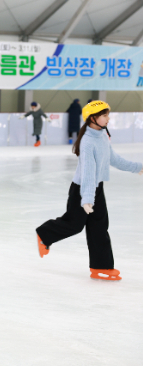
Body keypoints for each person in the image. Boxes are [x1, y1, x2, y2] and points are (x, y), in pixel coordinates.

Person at [35, 101, 143, 281]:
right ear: (93, 118)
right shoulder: (87, 143)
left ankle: (102, 267)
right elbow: (87, 173)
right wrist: (87, 198)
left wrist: (137, 167)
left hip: (95, 188)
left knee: (99, 227)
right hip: (83, 189)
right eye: (104, 115)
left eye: (108, 114)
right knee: (74, 224)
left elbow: (113, 159)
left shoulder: (101, 136)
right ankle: (44, 234)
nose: (108, 118)